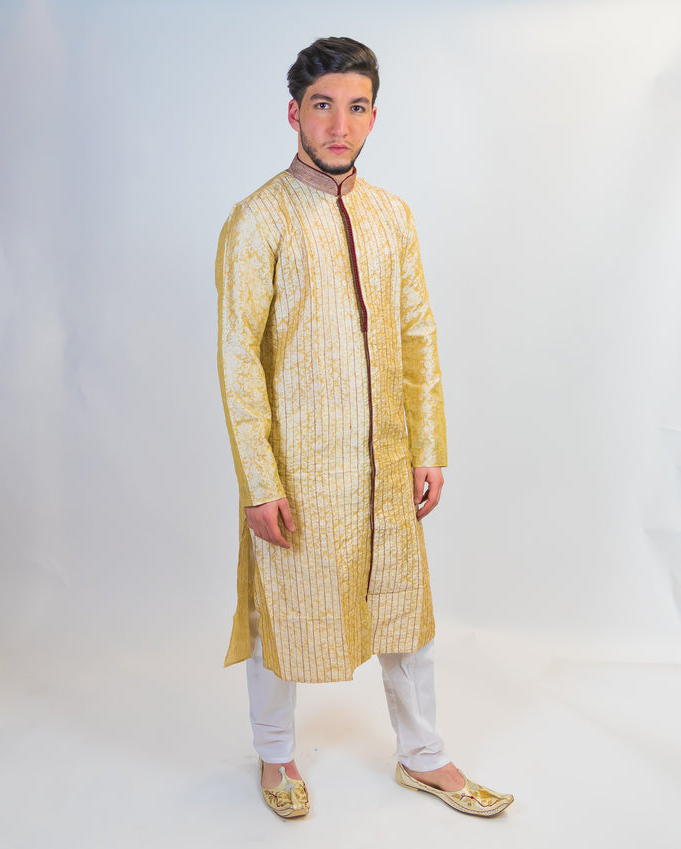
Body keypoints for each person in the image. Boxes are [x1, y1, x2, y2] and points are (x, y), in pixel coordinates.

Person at [215, 36, 513, 819]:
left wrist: (428, 447)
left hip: (385, 463)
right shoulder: (259, 219)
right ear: (294, 113)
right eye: (322, 106)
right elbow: (238, 359)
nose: (339, 125)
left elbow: (418, 335)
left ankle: (425, 755)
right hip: (300, 470)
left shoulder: (391, 215)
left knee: (405, 612)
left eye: (356, 107)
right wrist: (260, 481)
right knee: (282, 610)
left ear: (375, 116)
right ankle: (276, 754)